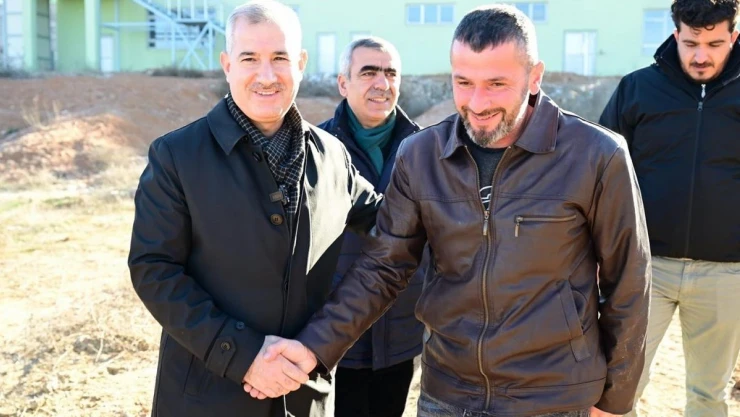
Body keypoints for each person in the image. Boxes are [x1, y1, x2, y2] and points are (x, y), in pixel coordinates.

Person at [263, 4, 652, 417]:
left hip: (554, 397)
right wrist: (312, 348)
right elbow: (383, 268)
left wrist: (614, 401)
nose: (477, 103)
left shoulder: (597, 155)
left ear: (535, 76)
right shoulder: (420, 155)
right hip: (448, 395)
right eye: (463, 82)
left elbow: (629, 282)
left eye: (497, 84)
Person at [127, 1, 382, 416]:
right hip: (207, 397)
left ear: (301, 63)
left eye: (280, 57)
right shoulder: (177, 155)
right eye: (250, 58)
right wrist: (244, 356)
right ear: (227, 65)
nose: (267, 75)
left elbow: (390, 223)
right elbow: (154, 270)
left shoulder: (333, 156)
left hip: (305, 396)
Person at [599, 1, 740, 415]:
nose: (701, 56)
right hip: (646, 270)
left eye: (714, 44)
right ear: (676, 34)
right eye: (691, 43)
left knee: (709, 395)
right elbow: (601, 177)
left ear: (734, 37)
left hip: (726, 274)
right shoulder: (637, 88)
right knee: (619, 390)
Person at [317, 36, 425, 417]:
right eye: (368, 72)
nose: (382, 83)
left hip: (400, 334)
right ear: (343, 83)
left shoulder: (424, 150)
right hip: (334, 333)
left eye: (390, 73)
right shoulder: (316, 149)